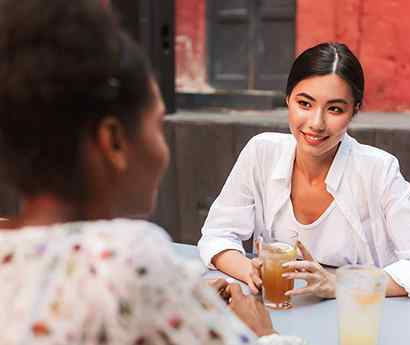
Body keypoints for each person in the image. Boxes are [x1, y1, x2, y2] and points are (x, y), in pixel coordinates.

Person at [0, 1, 304, 344]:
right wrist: (265, 334)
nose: (163, 150)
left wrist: (180, 297)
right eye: (157, 126)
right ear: (113, 141)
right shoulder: (128, 262)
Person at [198, 42, 410, 300]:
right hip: (281, 314)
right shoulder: (261, 152)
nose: (316, 124)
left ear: (354, 111)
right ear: (288, 99)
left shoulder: (378, 170)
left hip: (358, 318)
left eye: (335, 109)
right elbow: (217, 235)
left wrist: (340, 284)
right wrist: (249, 271)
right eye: (305, 104)